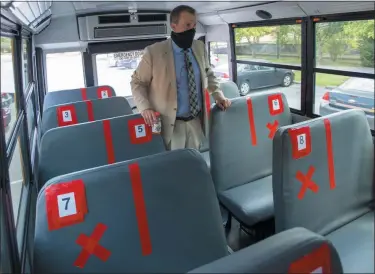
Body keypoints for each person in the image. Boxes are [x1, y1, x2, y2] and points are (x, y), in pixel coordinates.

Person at [130, 5, 231, 150]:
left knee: (194, 164)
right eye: (188, 25)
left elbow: (209, 73)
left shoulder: (199, 47)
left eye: (194, 25)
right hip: (170, 125)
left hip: (196, 121)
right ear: (173, 26)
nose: (192, 29)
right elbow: (137, 82)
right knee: (174, 168)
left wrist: (218, 95)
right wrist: (145, 108)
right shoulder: (154, 52)